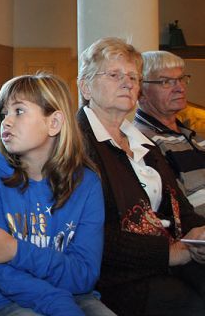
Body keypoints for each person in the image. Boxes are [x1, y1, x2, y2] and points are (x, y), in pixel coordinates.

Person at [77, 37, 205, 316]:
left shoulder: (143, 144)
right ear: (86, 87)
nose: (127, 83)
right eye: (114, 75)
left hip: (173, 260)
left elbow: (181, 209)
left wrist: (199, 234)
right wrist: (172, 252)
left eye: (133, 77)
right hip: (119, 277)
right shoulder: (77, 146)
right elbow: (90, 236)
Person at [0, 74, 111, 316]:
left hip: (75, 295)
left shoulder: (87, 183)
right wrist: (58, 305)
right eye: (3, 114)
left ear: (54, 123)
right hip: (6, 298)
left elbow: (85, 275)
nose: (6, 121)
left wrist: (17, 251)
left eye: (19, 111)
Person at [134, 50, 205, 216]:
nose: (180, 88)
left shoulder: (195, 137)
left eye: (181, 79)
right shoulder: (142, 143)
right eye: (166, 82)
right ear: (140, 92)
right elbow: (177, 212)